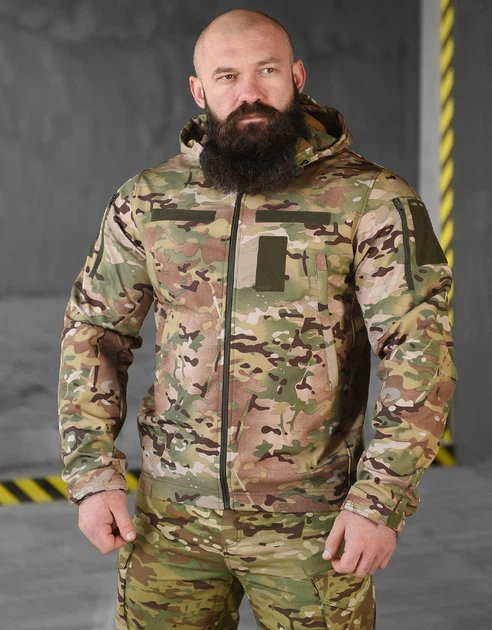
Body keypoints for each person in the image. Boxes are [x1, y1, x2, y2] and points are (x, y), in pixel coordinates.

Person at [58, 9, 457, 630]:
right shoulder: (150, 200)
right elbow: (95, 334)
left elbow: (418, 352)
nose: (249, 93)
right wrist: (92, 474)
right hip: (171, 524)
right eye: (227, 76)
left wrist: (380, 500)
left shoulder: (372, 199)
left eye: (266, 71)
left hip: (313, 529)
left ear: (297, 77)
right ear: (200, 91)